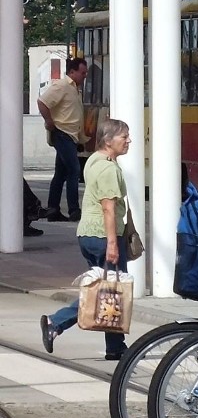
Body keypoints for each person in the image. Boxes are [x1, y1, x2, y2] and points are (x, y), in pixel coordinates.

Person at [39, 118, 132, 360]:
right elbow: (108, 208)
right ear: (108, 140)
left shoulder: (94, 160)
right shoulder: (109, 169)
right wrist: (113, 243)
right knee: (106, 290)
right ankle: (55, 323)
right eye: (124, 137)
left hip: (88, 234)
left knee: (107, 290)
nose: (129, 140)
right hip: (103, 235)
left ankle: (115, 346)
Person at [37, 58, 89, 223]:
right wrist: (50, 122)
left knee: (60, 173)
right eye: (82, 73)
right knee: (73, 170)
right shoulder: (62, 86)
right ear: (72, 71)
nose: (84, 76)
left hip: (71, 135)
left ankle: (53, 209)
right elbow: (42, 102)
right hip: (62, 133)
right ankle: (74, 209)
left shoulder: (75, 89)